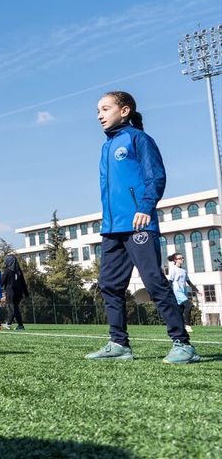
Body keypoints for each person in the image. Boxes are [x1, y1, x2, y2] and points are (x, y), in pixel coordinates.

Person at [86, 91, 199, 363]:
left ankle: (182, 344)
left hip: (139, 224)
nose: (99, 115)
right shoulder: (106, 147)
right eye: (97, 111)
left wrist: (145, 208)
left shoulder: (139, 139)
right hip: (112, 228)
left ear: (124, 110)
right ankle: (119, 344)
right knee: (109, 285)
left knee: (153, 282)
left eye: (105, 108)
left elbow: (156, 177)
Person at [167, 253, 200, 334]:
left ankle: (178, 326)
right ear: (175, 260)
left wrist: (196, 290)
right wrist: (169, 293)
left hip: (183, 292)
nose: (182, 259)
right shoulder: (173, 269)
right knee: (188, 305)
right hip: (176, 291)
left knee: (180, 310)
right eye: (180, 258)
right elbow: (170, 281)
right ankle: (188, 325)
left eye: (182, 258)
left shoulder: (184, 270)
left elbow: (188, 281)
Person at [1, 255, 27, 331]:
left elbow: (1, 282)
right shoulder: (19, 271)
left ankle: (20, 325)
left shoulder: (7, 270)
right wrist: (26, 293)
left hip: (10, 291)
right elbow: (23, 283)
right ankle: (8, 324)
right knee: (12, 308)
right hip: (19, 292)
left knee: (13, 308)